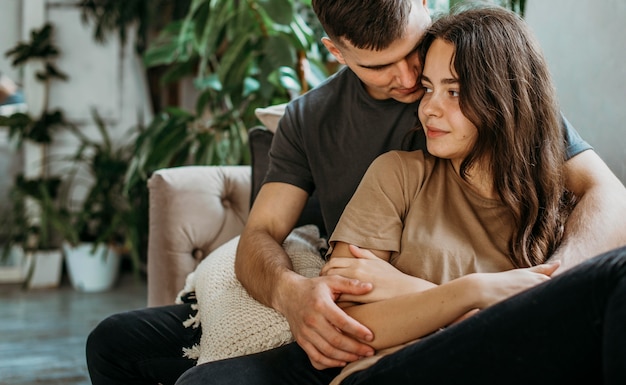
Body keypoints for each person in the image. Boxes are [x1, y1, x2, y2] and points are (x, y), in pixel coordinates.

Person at [85, 1, 626, 384]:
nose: (413, 82)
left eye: (416, 52)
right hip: (368, 294)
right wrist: (293, 295)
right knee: (114, 343)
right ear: (336, 52)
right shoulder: (317, 123)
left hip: (446, 306)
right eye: (381, 65)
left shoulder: (480, 70)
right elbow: (265, 236)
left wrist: (547, 287)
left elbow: (605, 192)